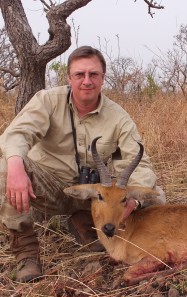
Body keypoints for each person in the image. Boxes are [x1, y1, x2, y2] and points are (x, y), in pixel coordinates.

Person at [0, 46, 166, 283]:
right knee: (5, 168)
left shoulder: (118, 117)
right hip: (47, 189)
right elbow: (17, 134)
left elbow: (139, 165)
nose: (86, 81)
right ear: (69, 77)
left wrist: (133, 199)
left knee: (156, 196)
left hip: (91, 194)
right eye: (79, 75)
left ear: (102, 78)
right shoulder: (48, 100)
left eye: (93, 75)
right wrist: (16, 166)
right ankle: (26, 251)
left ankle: (90, 224)